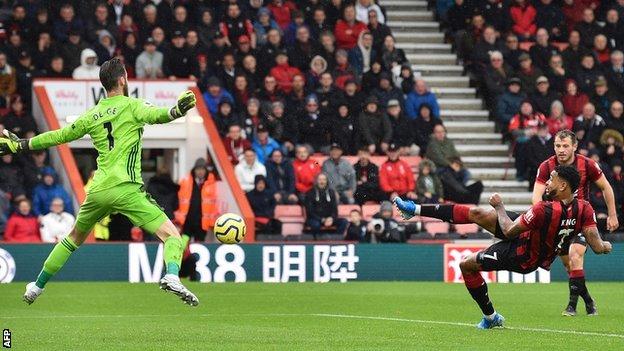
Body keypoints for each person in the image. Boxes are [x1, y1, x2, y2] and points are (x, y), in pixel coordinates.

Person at [0, 58, 200, 305]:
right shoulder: (132, 106)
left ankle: (36, 286)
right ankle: (172, 276)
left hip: (98, 190)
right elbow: (159, 115)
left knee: (72, 238)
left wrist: (22, 144)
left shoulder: (92, 114)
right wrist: (177, 110)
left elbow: (59, 136)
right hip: (127, 188)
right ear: (122, 80)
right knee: (172, 236)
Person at [394, 165, 612, 328]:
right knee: (477, 214)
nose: (547, 182)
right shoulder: (584, 208)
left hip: (524, 255)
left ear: (563, 185)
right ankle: (414, 209)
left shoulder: (543, 209)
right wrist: (606, 246)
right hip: (528, 232)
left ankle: (490, 317)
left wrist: (499, 206)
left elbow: (508, 231)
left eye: (552, 179)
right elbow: (597, 245)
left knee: (466, 265)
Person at [532, 130, 619, 315]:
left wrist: (612, 214)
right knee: (570, 266)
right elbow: (536, 196)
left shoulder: (587, 164)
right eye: (557, 146)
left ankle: (571, 306)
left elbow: (606, 187)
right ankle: (588, 300)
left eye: (565, 146)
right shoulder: (547, 166)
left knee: (575, 255)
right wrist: (542, 216)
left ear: (574, 146)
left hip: (581, 219)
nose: (561, 150)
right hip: (558, 223)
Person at [304, 173, 348, 239]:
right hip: (315, 219)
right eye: (320, 180)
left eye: (324, 180)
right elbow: (309, 212)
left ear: (326, 181)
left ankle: (336, 239)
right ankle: (318, 241)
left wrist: (331, 218)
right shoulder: (310, 193)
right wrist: (322, 220)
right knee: (315, 224)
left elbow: (335, 210)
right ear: (316, 181)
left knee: (344, 221)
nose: (322, 182)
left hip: (329, 219)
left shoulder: (331, 192)